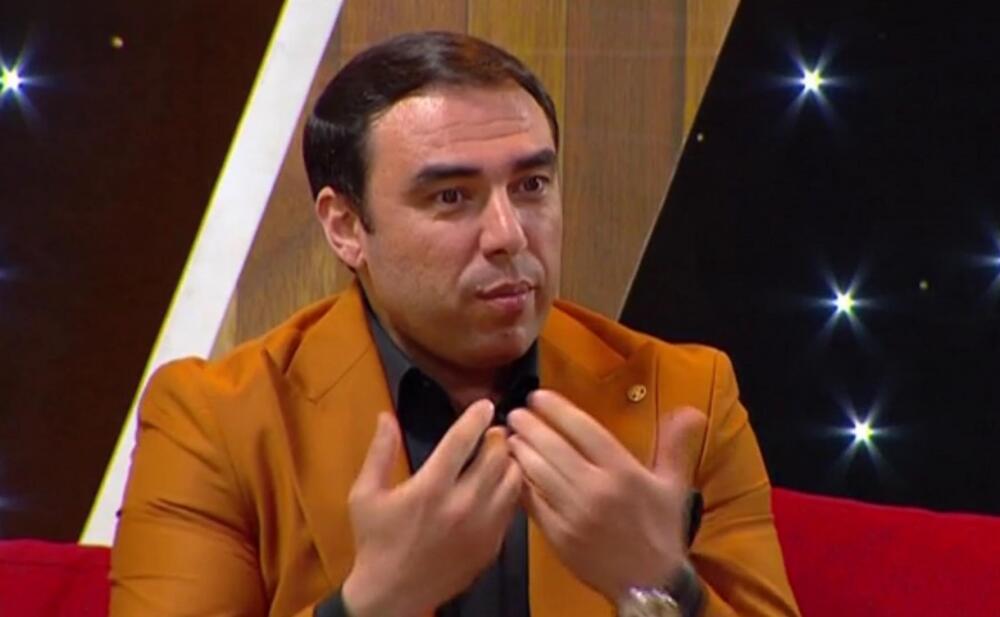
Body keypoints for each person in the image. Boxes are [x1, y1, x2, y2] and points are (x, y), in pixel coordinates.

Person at [110, 31, 800, 617]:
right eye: (450, 197)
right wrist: (375, 603)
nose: (509, 235)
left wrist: (663, 586)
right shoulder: (214, 420)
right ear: (345, 226)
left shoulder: (685, 395)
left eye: (531, 185)